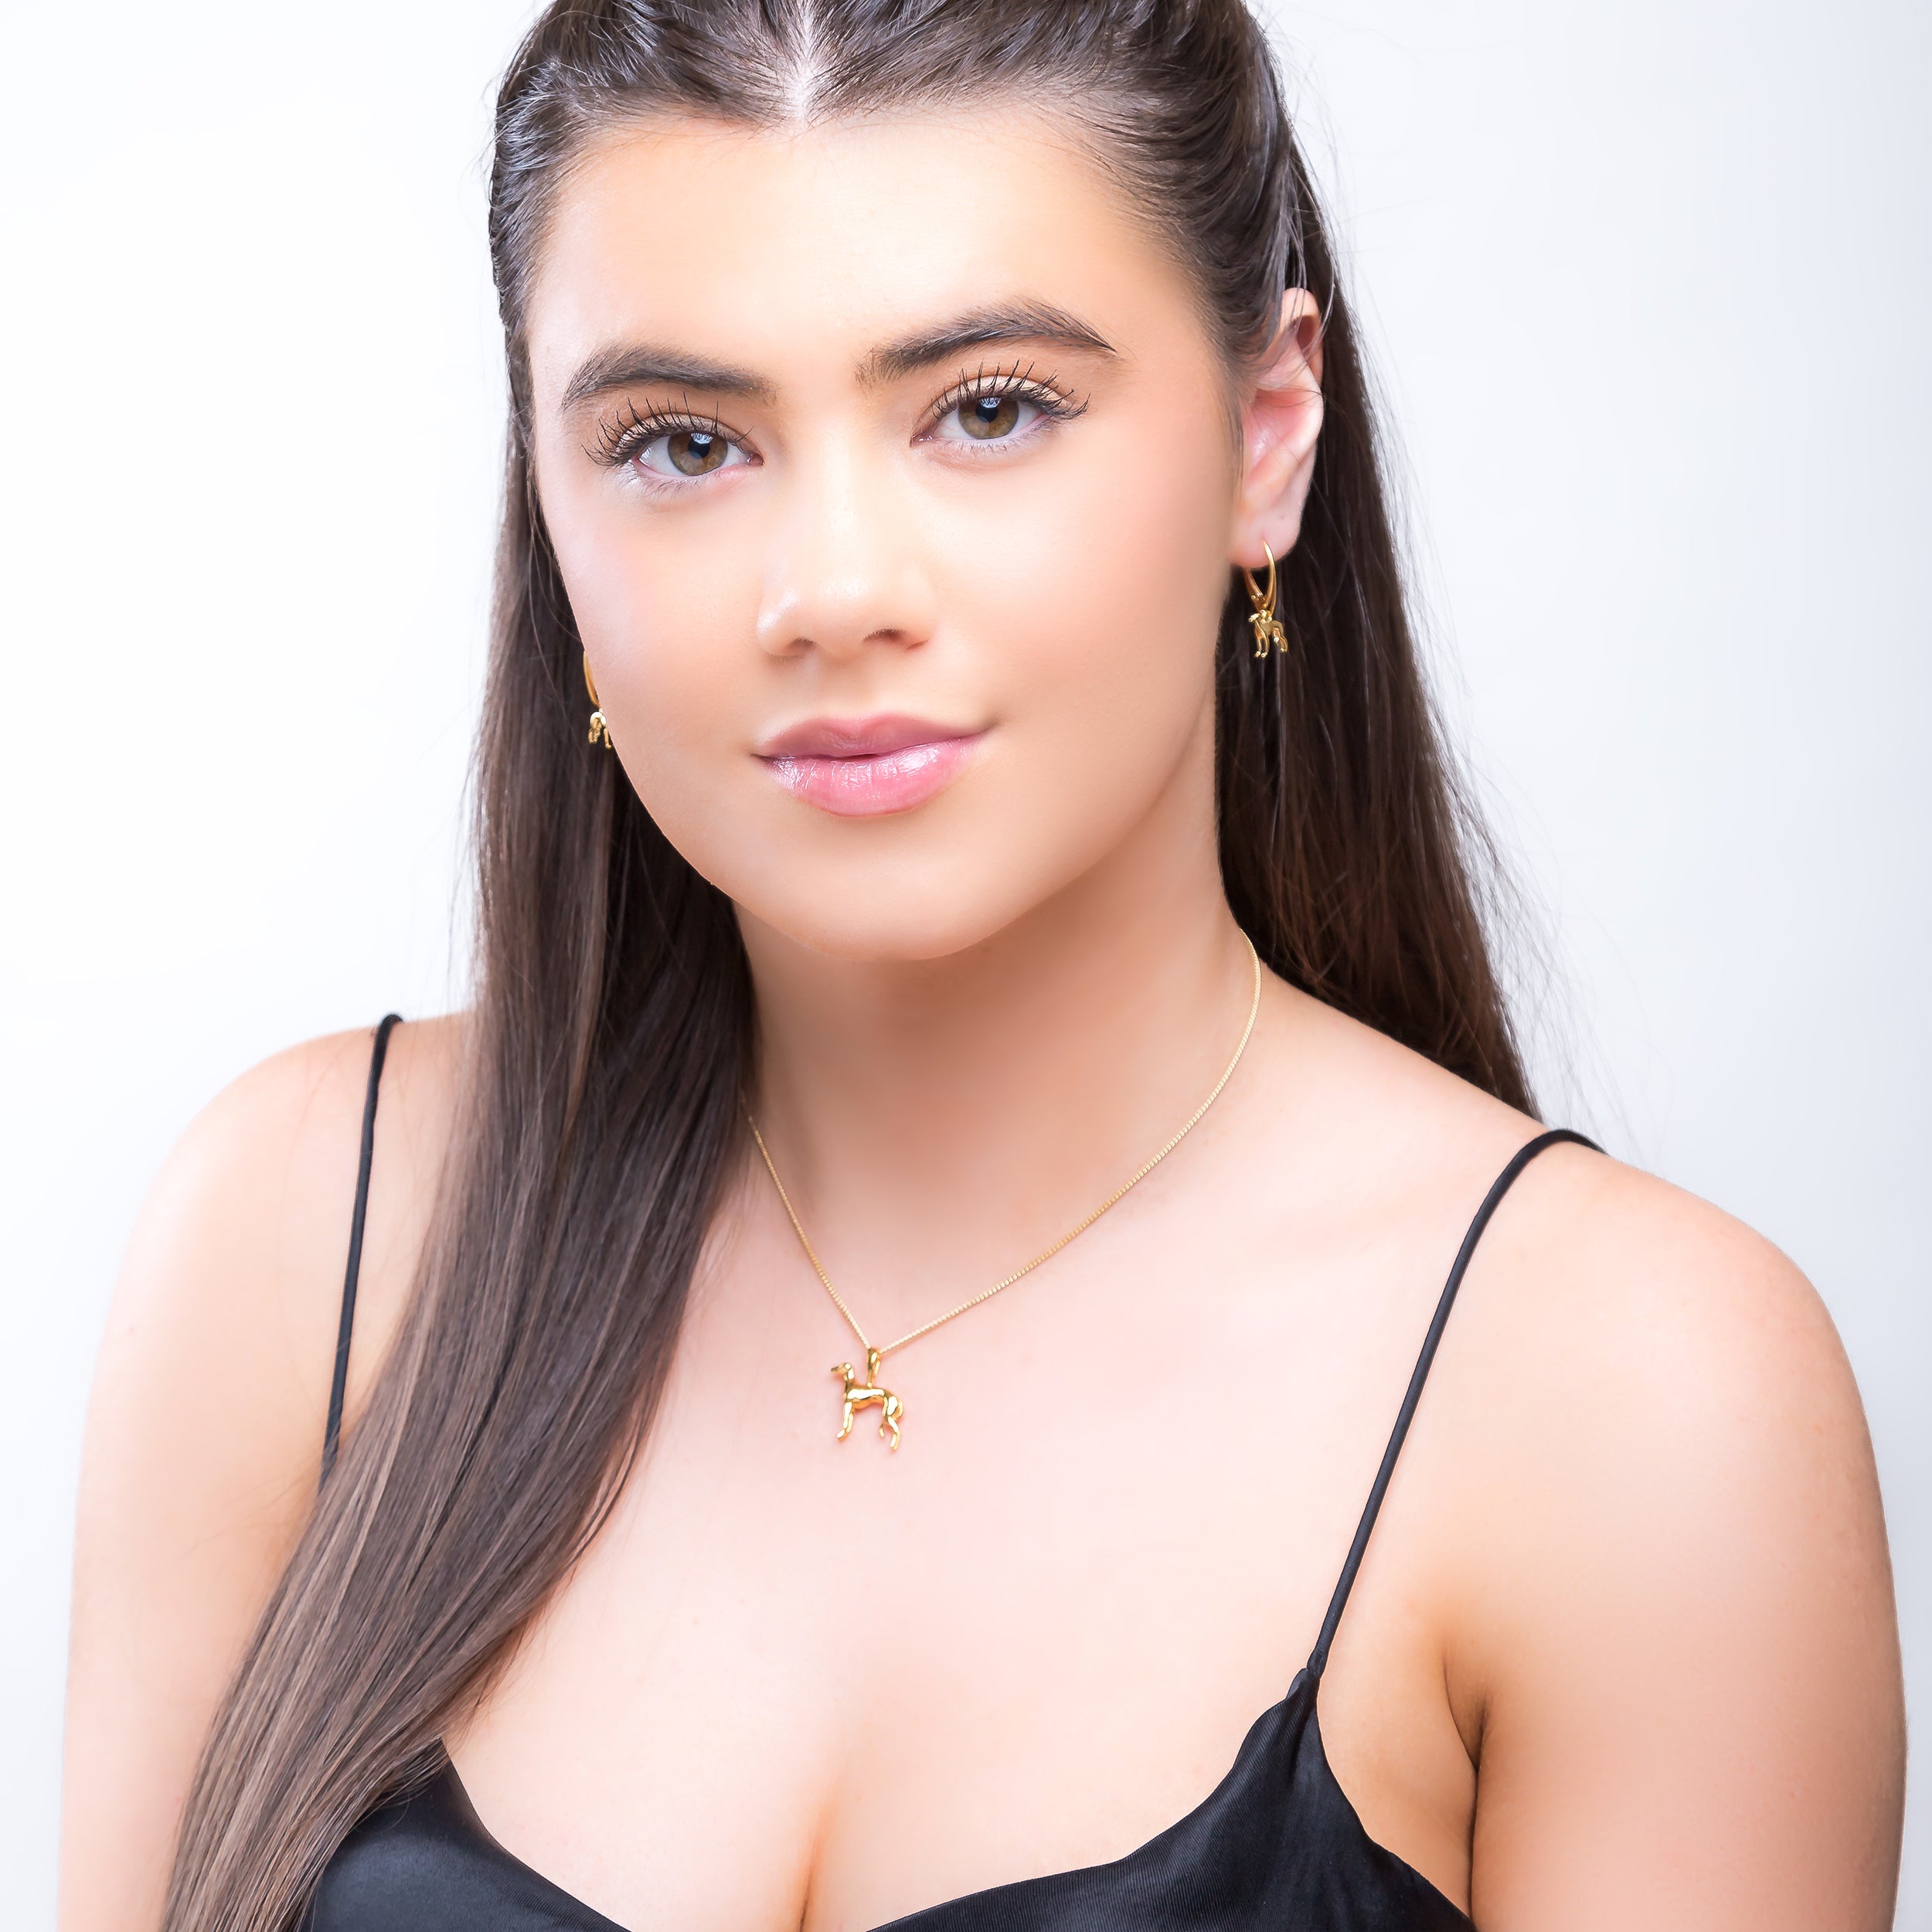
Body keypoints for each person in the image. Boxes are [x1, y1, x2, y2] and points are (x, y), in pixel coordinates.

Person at [60, 3, 1904, 1928]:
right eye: (684, 442)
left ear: (1267, 431)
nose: (834, 590)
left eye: (989, 408)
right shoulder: (299, 1241)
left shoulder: (1630, 1401)